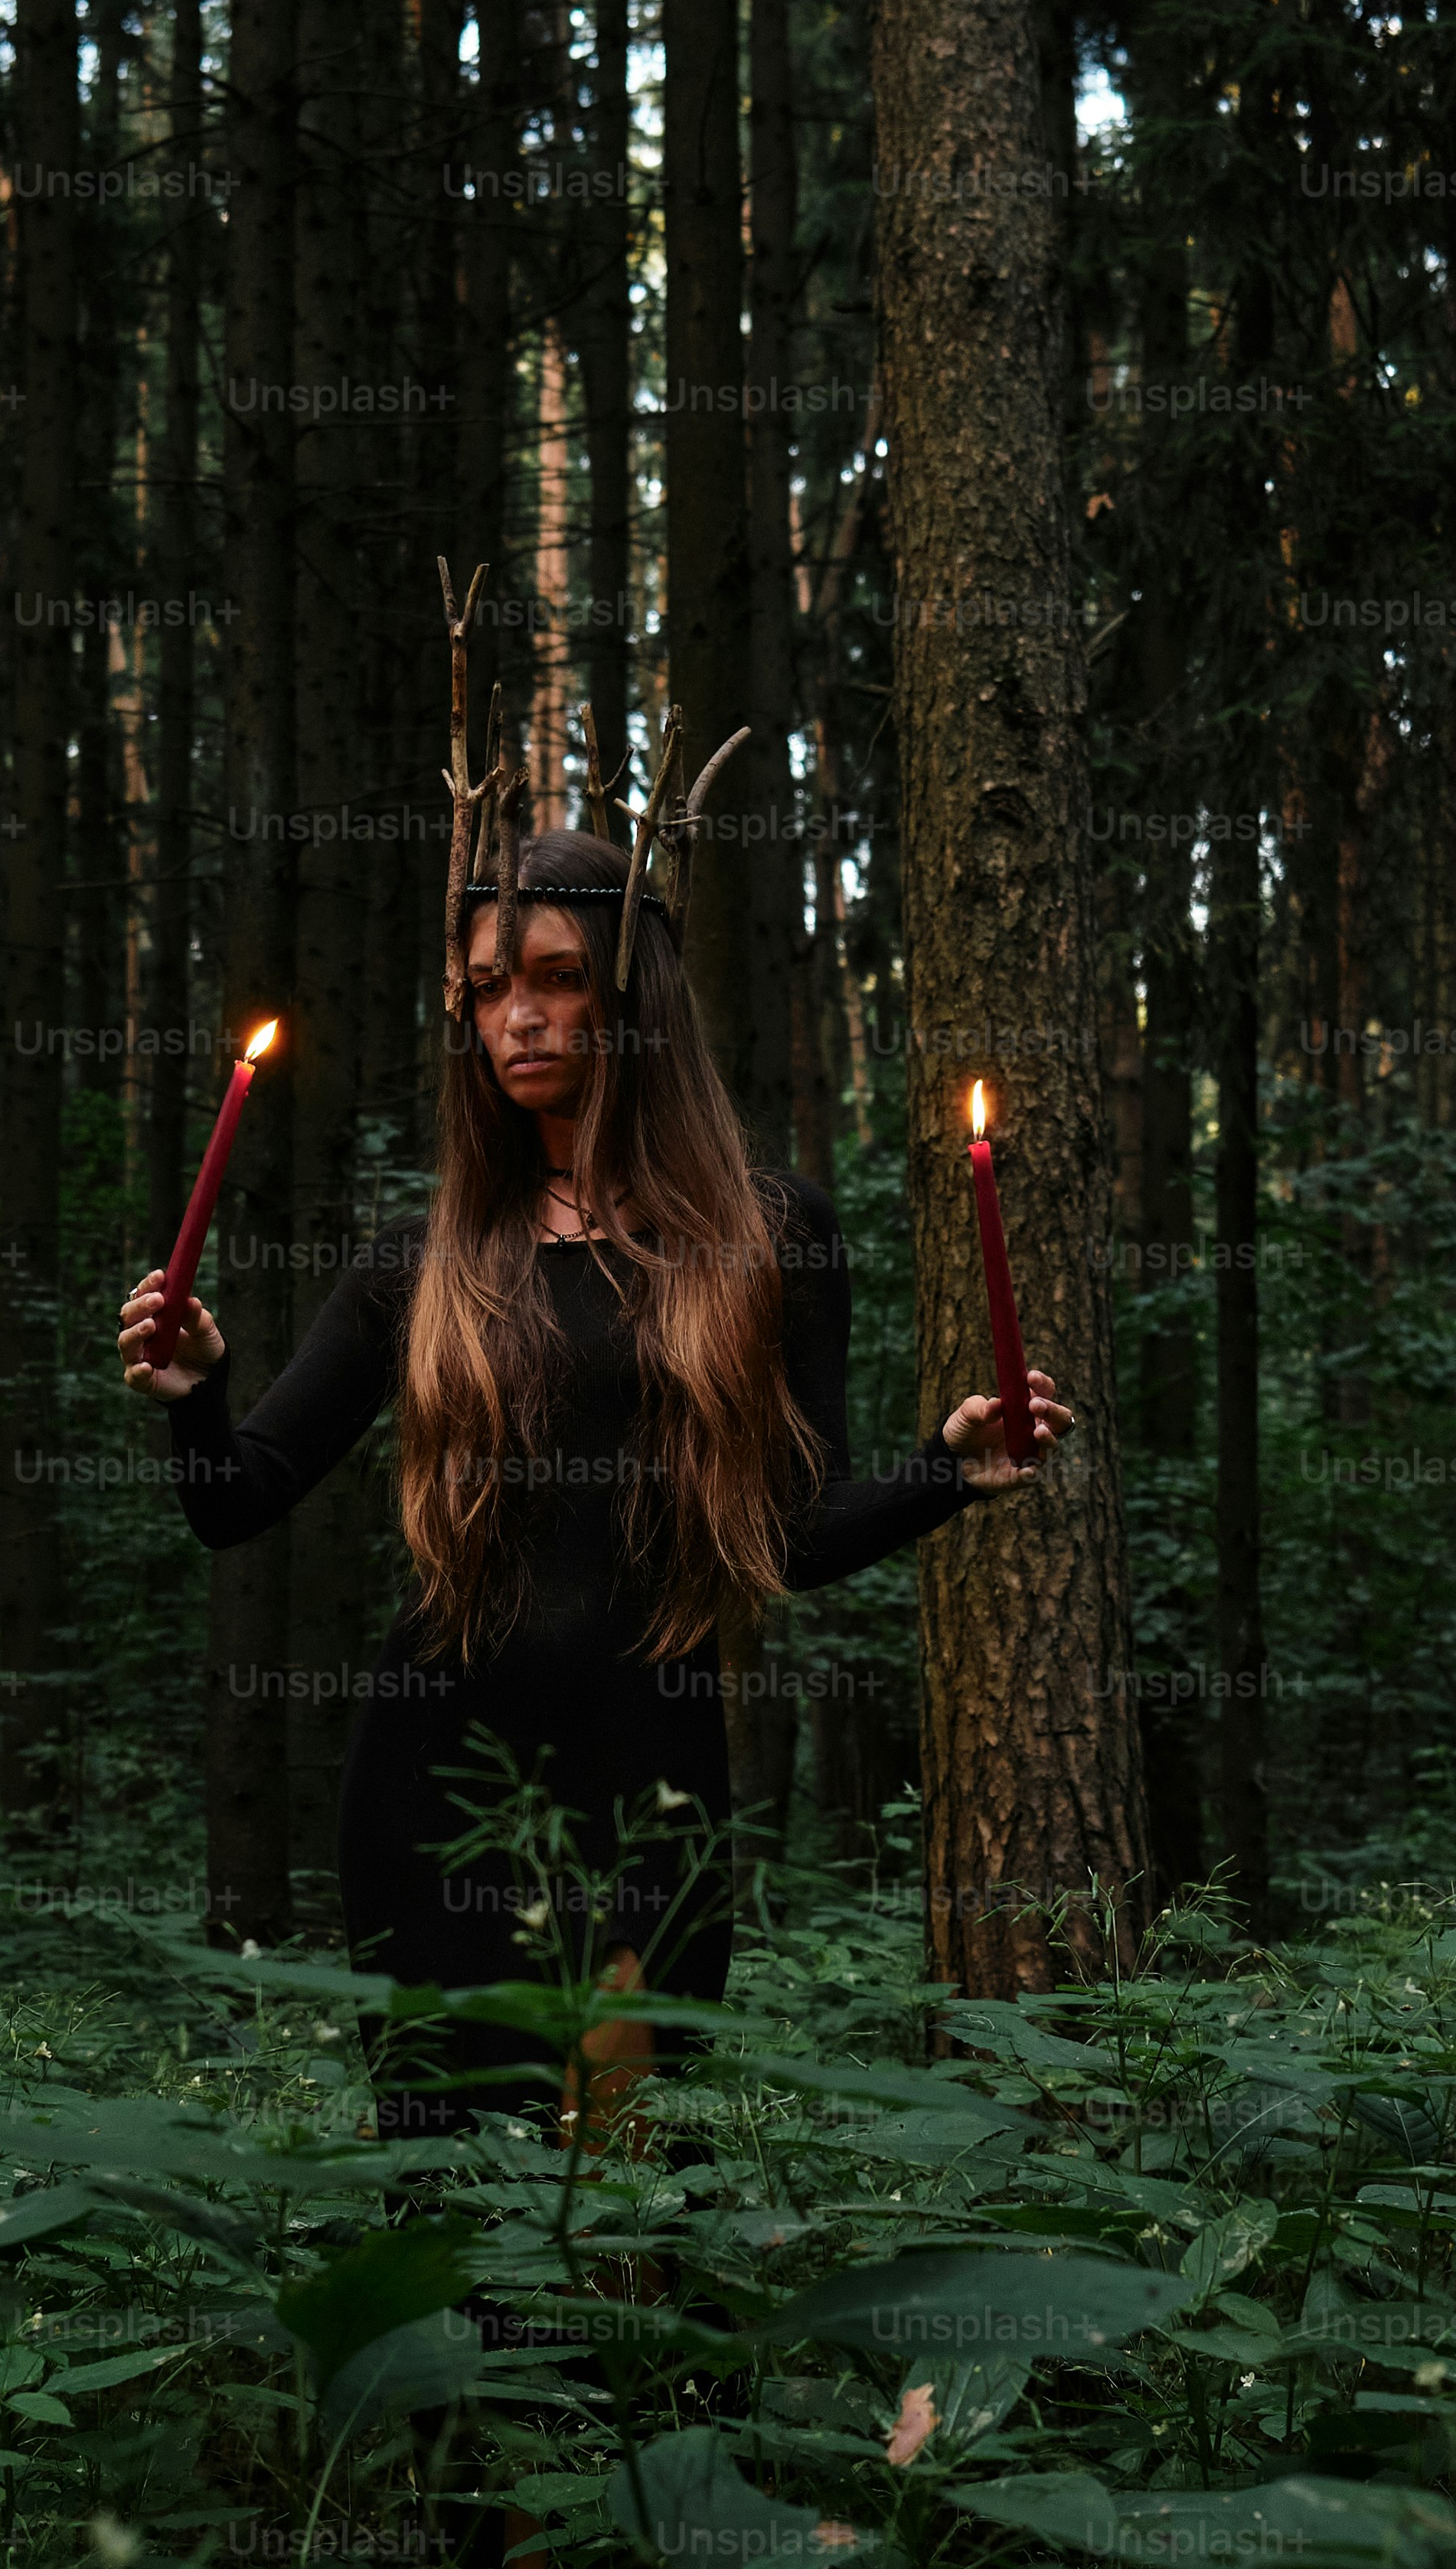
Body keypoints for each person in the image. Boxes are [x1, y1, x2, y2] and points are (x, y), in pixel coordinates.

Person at [115, 826, 1069, 2145]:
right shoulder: (426, 1261)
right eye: (488, 987)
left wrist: (948, 1476)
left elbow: (784, 1536)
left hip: (649, 1785)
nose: (518, 1014)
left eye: (557, 976)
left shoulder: (771, 1235)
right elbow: (237, 1498)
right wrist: (200, 1391)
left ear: (635, 995)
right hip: (431, 1790)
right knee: (456, 2202)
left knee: (636, 2207)